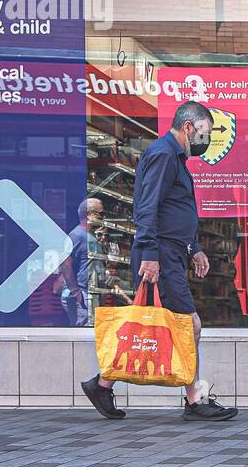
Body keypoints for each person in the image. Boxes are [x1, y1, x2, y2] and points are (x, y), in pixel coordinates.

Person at [80, 101, 237, 421]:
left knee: (164, 324)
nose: (206, 140)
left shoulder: (175, 158)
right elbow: (147, 207)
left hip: (171, 252)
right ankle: (194, 400)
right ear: (189, 127)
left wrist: (194, 248)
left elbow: (173, 209)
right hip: (160, 255)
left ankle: (103, 383)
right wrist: (151, 254)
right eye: (205, 133)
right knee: (189, 324)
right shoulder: (164, 155)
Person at [60, 197, 105, 326]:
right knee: (86, 331)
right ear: (88, 214)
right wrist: (76, 292)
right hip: (84, 294)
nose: (103, 218)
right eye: (100, 214)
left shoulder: (89, 236)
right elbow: (65, 263)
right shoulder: (77, 235)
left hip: (90, 293)